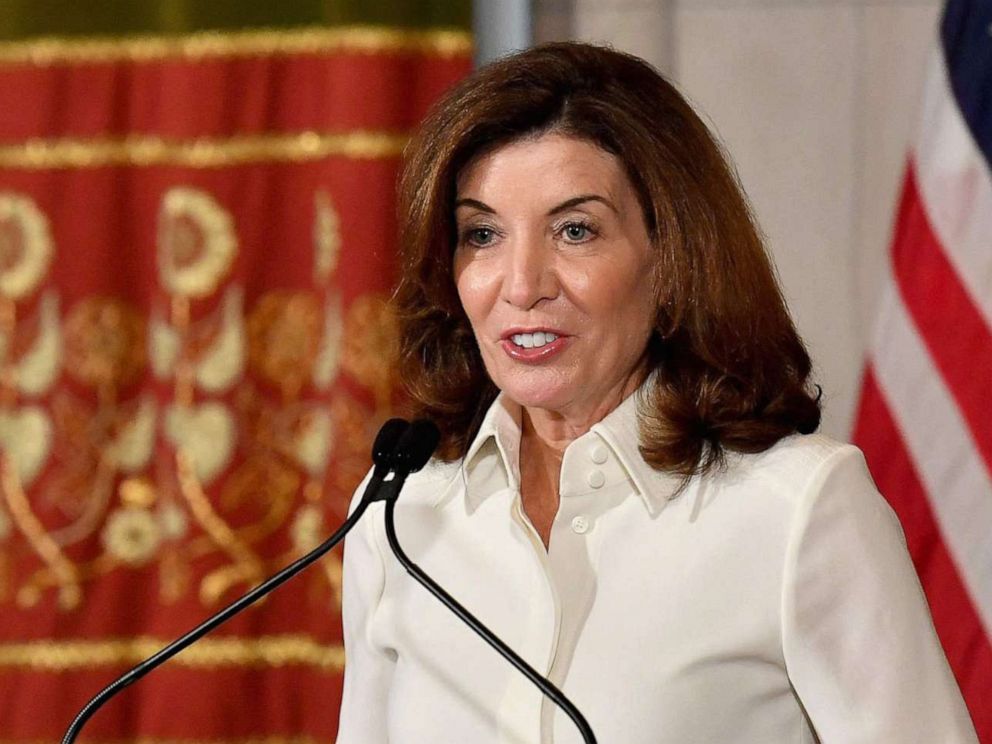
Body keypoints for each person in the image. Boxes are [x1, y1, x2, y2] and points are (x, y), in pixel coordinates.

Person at [337, 42, 978, 743]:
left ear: (669, 257)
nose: (521, 285)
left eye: (575, 230)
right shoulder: (402, 510)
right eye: (482, 234)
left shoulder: (798, 509)